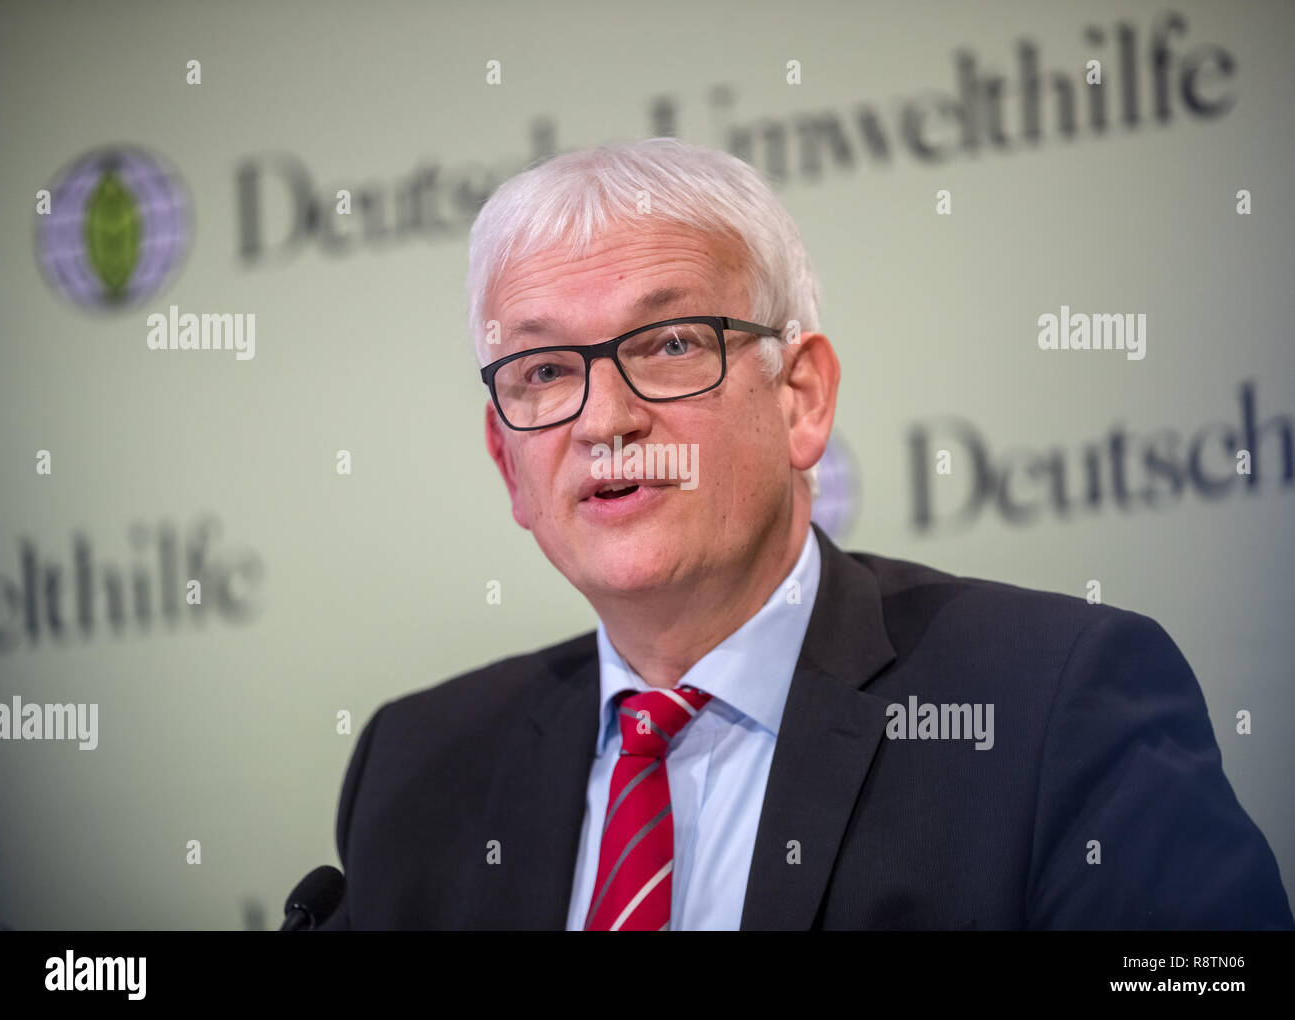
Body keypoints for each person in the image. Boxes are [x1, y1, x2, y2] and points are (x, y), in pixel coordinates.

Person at [319, 137, 1292, 930]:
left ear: (801, 398)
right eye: (540, 370)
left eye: (667, 344)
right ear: (507, 464)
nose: (601, 419)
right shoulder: (419, 768)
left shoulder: (1053, 707)